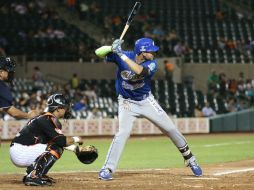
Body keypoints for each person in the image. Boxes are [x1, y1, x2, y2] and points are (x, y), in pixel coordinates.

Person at [95, 38, 202, 180]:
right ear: (142, 52)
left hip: (146, 101)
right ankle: (107, 168)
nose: (154, 52)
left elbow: (139, 71)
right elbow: (98, 53)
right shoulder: (123, 54)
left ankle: (190, 159)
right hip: (126, 102)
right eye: (151, 50)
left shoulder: (151, 63)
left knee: (170, 129)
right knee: (122, 133)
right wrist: (111, 47)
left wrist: (121, 55)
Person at [9, 94, 83, 186]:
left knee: (56, 146)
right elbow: (61, 142)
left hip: (21, 149)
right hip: (20, 152)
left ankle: (37, 173)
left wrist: (76, 149)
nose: (67, 110)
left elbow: (56, 141)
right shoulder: (46, 119)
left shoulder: (45, 118)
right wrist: (76, 138)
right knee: (56, 147)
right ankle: (34, 176)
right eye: (65, 107)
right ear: (58, 109)